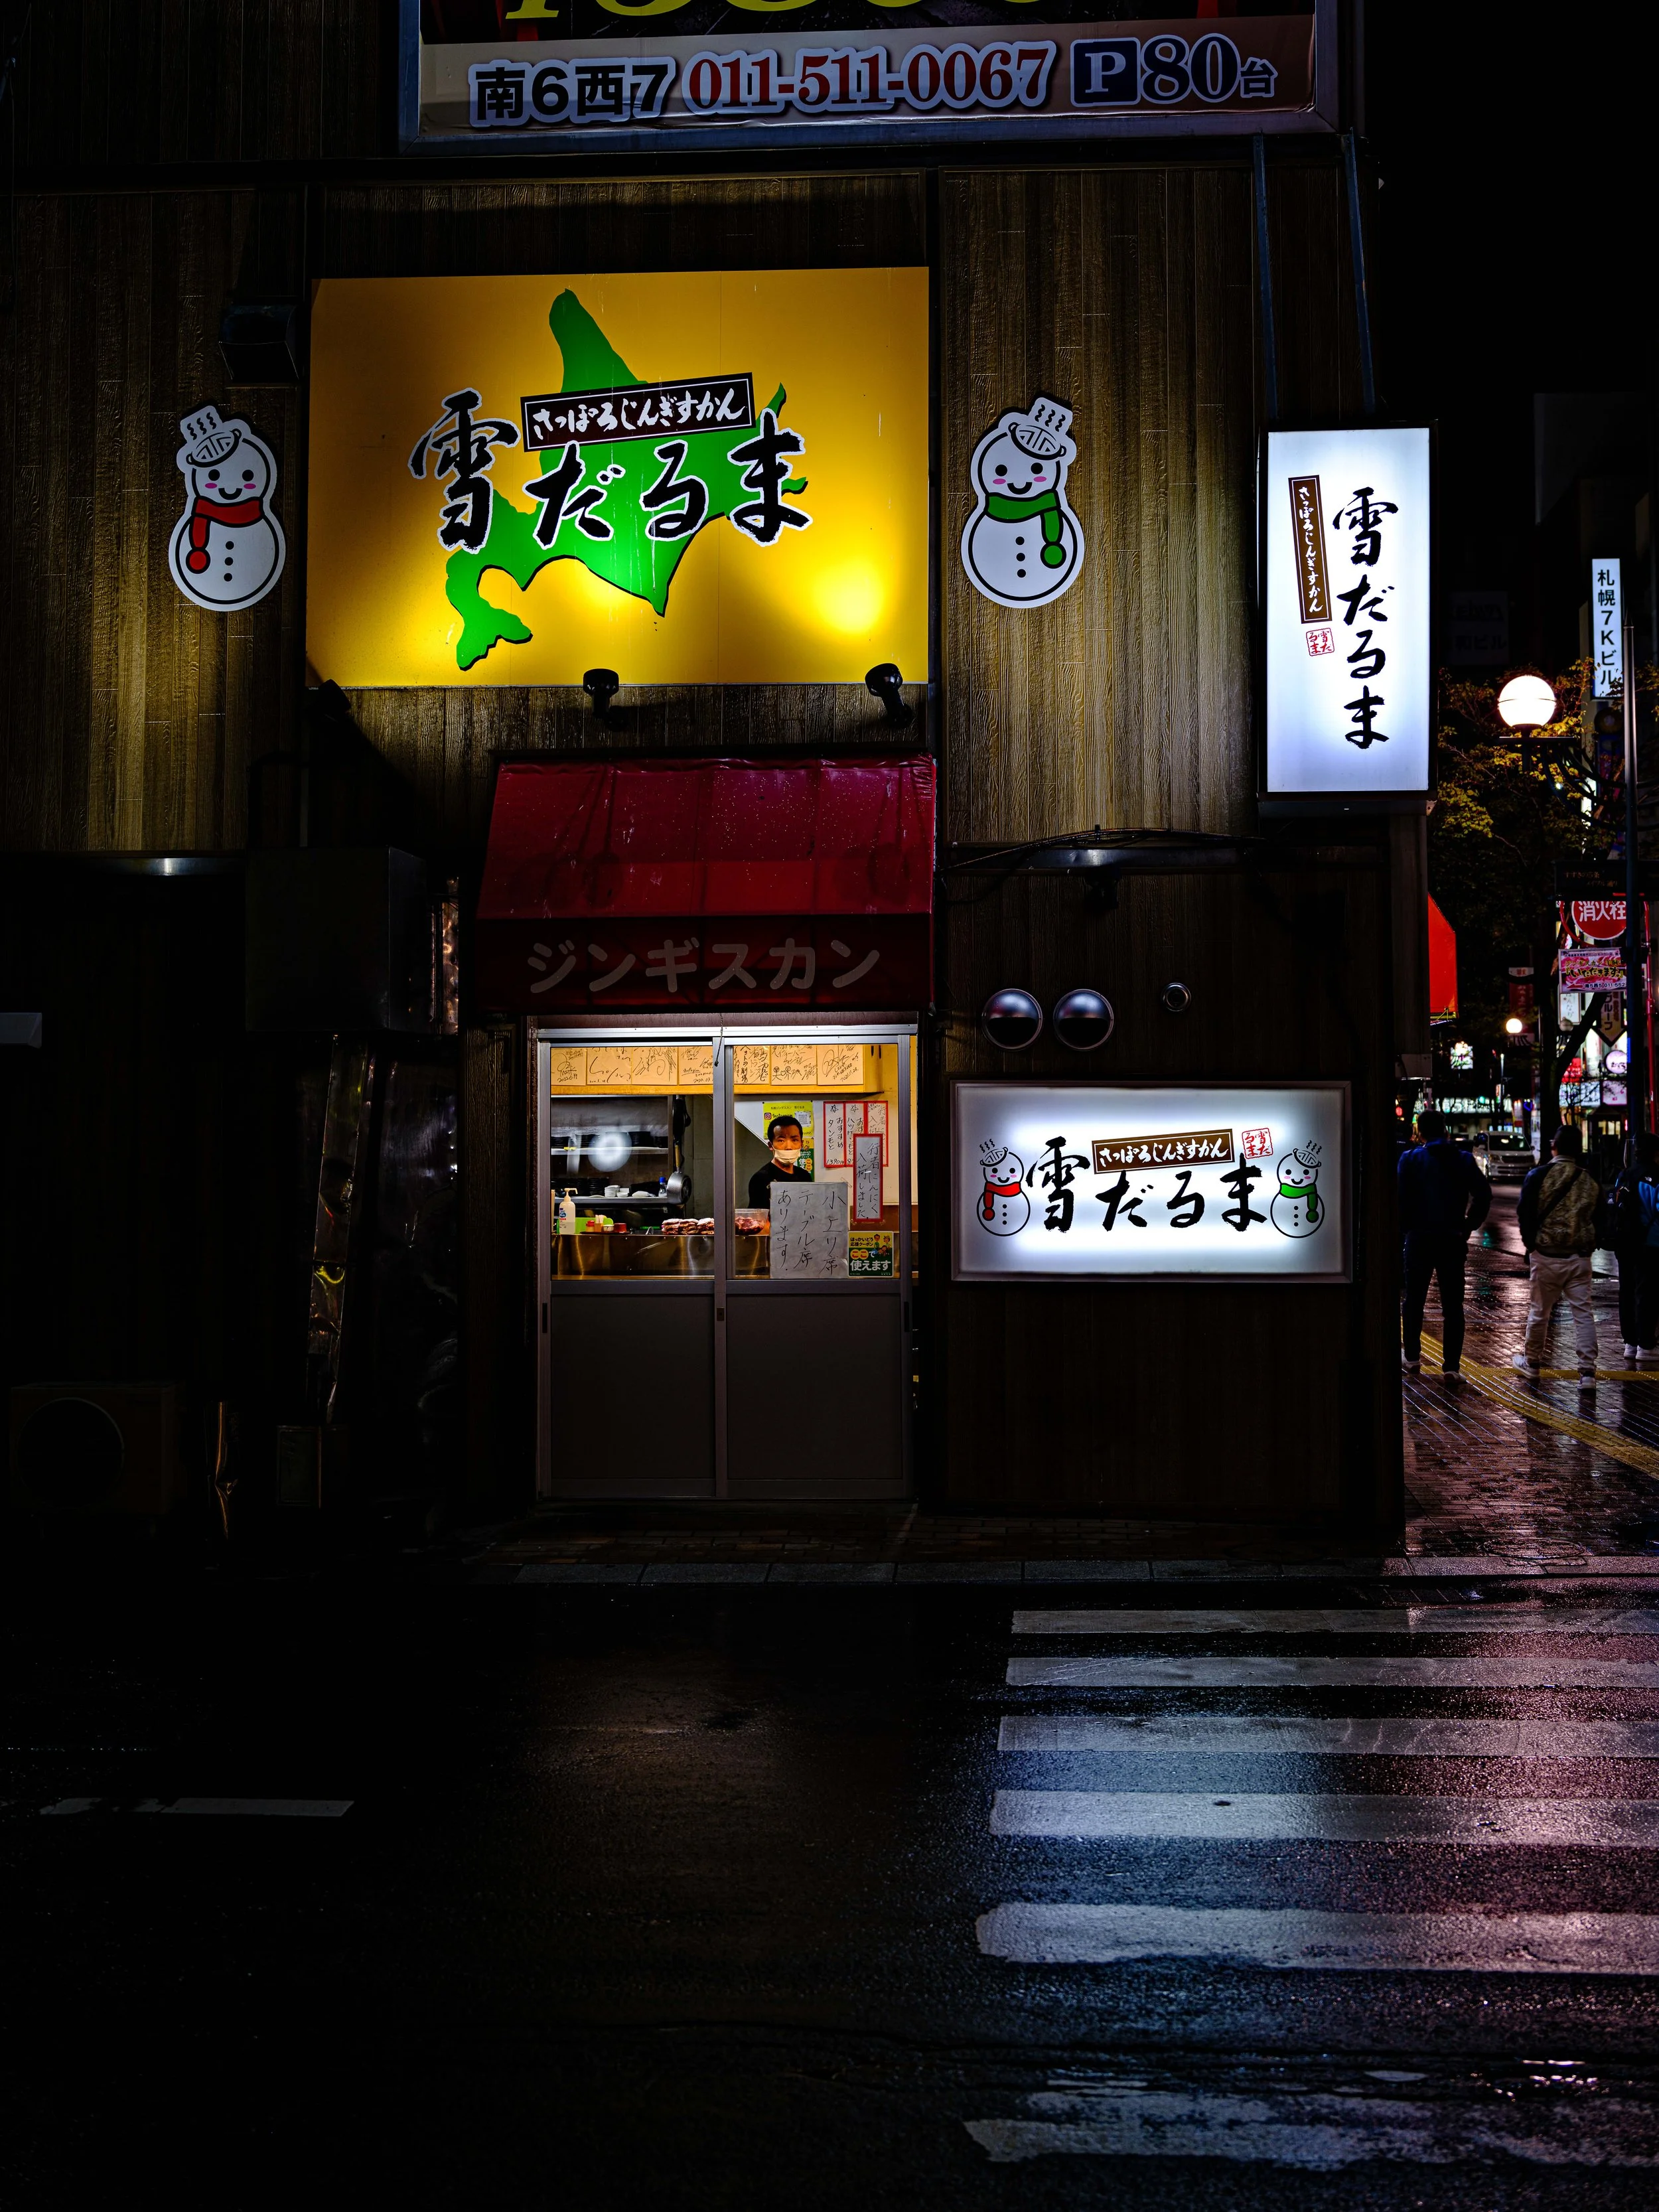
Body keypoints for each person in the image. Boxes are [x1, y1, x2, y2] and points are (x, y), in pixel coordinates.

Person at [1398, 1108, 1491, 1378]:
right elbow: (1483, 1195)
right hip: (1452, 1238)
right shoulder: (1462, 1159)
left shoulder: (1410, 1159)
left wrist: (1406, 1228)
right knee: (1453, 1305)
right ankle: (1451, 1367)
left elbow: (1400, 1198)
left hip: (1419, 1237)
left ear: (1421, 1132)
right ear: (1446, 1130)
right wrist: (1467, 1225)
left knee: (1414, 1300)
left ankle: (1412, 1357)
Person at [1514, 1124, 1603, 1383]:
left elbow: (1525, 1214)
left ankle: (1532, 1363)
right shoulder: (1590, 1180)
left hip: (1546, 1255)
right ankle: (1587, 1372)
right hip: (1579, 1257)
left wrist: (1530, 1245)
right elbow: (1600, 1220)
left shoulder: (1538, 1176)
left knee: (1540, 1311)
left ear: (1554, 1146)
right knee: (1583, 1313)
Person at [1607, 1131, 1659, 1366]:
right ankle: (1646, 1344)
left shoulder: (1624, 1175)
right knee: (1647, 1293)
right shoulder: (1656, 1177)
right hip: (1649, 1244)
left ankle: (1630, 1343)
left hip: (1624, 1243)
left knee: (1626, 1291)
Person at [747, 1114, 812, 1208]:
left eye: (795, 1140)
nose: (789, 1147)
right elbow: (758, 1220)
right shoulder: (760, 1179)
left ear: (801, 1144)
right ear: (770, 1145)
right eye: (781, 1140)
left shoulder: (804, 1176)